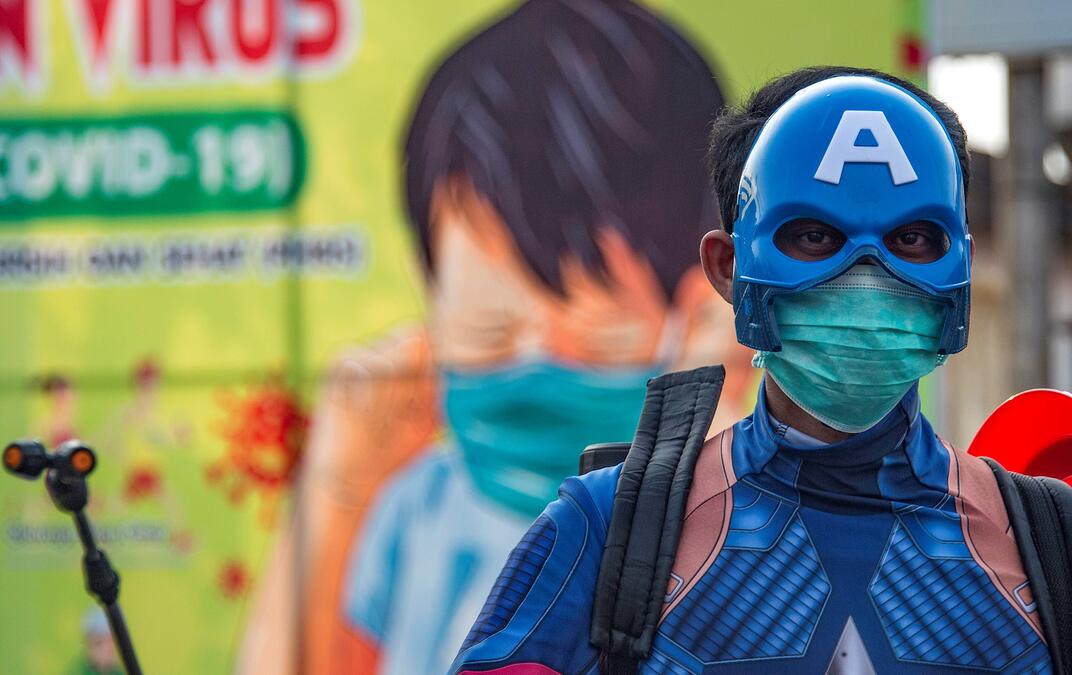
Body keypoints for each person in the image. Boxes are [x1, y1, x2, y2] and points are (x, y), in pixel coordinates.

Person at [450, 66, 1072, 674]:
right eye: (814, 235)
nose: (866, 277)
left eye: (912, 237)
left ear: (960, 267)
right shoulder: (603, 538)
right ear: (729, 268)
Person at [236, 1, 753, 673]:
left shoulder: (734, 496)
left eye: (597, 336)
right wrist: (337, 487)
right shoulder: (420, 505)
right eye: (490, 329)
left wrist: (700, 443)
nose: (536, 359)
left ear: (704, 302)